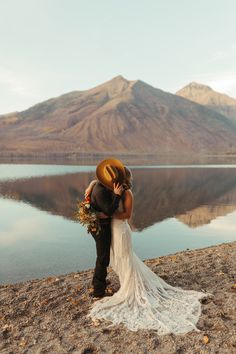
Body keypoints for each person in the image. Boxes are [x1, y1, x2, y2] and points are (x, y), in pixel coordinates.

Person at [86, 159, 211, 334]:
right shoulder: (114, 190)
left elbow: (126, 214)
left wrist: (107, 214)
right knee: (117, 257)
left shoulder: (126, 194)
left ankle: (121, 287)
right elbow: (103, 193)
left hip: (120, 229)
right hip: (112, 229)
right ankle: (116, 282)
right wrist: (93, 185)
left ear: (123, 180)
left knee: (124, 257)